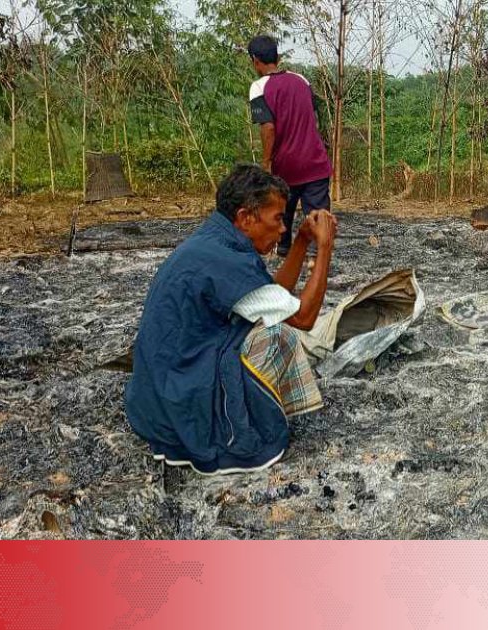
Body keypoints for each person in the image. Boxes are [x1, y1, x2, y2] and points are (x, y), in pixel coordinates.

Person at [126, 164, 338, 475]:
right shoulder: (224, 259)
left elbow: (272, 297)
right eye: (278, 218)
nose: (283, 228)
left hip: (158, 397)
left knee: (266, 322)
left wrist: (302, 241)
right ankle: (238, 428)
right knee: (277, 335)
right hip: (180, 398)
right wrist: (325, 247)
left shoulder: (215, 243)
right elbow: (303, 317)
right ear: (245, 218)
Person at [247, 34, 335, 257]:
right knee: (318, 214)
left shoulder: (259, 87)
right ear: (276, 56)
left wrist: (266, 163)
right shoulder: (301, 80)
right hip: (315, 161)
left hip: (286, 165)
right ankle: (321, 257)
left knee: (280, 210)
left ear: (255, 60)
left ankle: (284, 249)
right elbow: (314, 114)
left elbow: (267, 128)